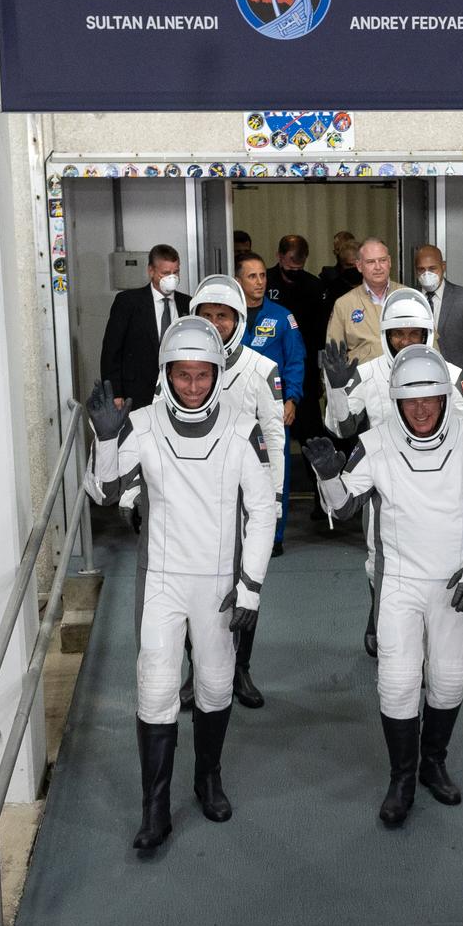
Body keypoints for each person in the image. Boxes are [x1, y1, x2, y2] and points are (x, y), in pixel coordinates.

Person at [84, 317, 275, 851]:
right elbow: (104, 494)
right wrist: (104, 439)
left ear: (217, 373)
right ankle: (155, 807)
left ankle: (208, 777)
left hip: (218, 584)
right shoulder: (142, 425)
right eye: (182, 375)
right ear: (166, 374)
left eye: (202, 375)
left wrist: (251, 586)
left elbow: (261, 513)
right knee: (157, 686)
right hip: (162, 582)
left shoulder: (241, 428)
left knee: (215, 685)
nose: (193, 386)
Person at [305, 345, 463, 827]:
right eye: (411, 401)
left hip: (455, 583)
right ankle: (402, 777)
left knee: (449, 678)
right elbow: (341, 505)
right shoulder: (375, 443)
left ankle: (433, 761)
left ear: (444, 397)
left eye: (431, 399)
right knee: (397, 685)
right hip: (399, 583)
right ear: (396, 401)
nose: (421, 409)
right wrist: (329, 475)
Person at [321, 288, 463, 658]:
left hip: (438, 491)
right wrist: (337, 388)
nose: (406, 342)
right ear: (386, 334)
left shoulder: (450, 375)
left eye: (414, 334)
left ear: (427, 334)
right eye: (398, 334)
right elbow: (341, 429)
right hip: (385, 490)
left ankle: (427, 644)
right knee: (380, 562)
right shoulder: (369, 373)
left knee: (437, 567)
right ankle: (381, 619)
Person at [166, 274, 285, 710]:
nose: (215, 324)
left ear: (239, 319)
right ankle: (196, 671)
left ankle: (239, 670)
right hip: (192, 500)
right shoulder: (175, 366)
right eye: (207, 315)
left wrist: (272, 502)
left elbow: (273, 439)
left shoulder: (260, 369)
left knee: (245, 584)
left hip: (245, 500)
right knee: (191, 590)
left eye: (224, 316)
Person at [235, 250, 305, 556]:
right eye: (252, 276)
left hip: (273, 406)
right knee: (236, 470)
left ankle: (274, 536)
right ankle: (239, 530)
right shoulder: (226, 315)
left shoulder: (282, 316)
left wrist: (292, 398)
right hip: (235, 407)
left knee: (276, 468)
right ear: (238, 280)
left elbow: (296, 360)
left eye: (263, 275)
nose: (260, 282)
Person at [266, 235, 329, 497]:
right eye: (290, 263)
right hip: (268, 370)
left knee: (311, 437)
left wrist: (321, 376)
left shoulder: (314, 286)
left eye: (299, 265)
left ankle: (321, 498)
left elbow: (323, 335)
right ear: (280, 256)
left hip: (303, 372)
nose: (294, 269)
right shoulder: (265, 281)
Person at [99, 245, 190, 410]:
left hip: (178, 392)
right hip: (136, 393)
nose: (172, 278)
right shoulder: (127, 302)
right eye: (165, 273)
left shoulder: (188, 304)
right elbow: (111, 351)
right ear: (151, 271)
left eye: (175, 272)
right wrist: (115, 393)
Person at [413, 244, 463, 399]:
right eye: (421, 270)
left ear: (443, 266)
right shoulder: (409, 300)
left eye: (432, 268)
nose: (427, 274)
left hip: (459, 386)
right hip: (420, 386)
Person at [326, 237, 399, 367]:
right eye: (370, 262)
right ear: (359, 266)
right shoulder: (344, 304)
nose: (378, 267)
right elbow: (333, 356)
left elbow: (430, 346)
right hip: (362, 383)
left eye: (382, 260)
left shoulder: (409, 297)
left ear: (389, 262)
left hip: (403, 379)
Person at [324, 239, 362, 308]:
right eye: (350, 265)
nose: (354, 268)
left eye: (358, 264)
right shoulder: (334, 290)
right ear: (342, 264)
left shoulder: (374, 287)